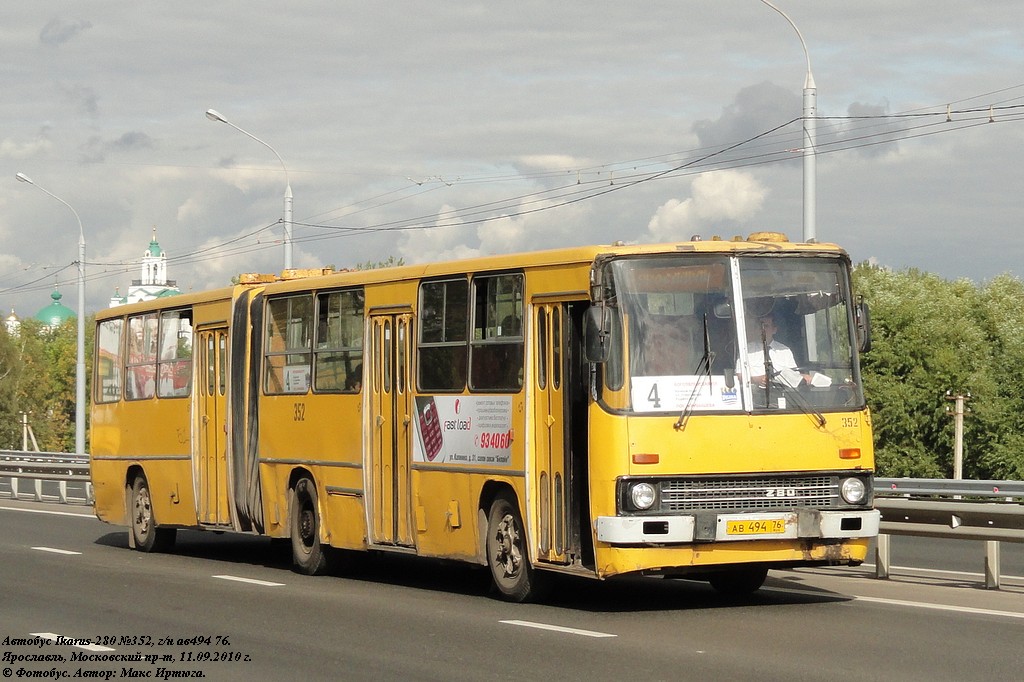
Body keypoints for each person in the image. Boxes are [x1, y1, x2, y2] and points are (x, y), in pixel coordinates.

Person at [745, 313, 811, 388]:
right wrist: (756, 379)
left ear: (774, 330)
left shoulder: (785, 350)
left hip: (786, 395)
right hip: (756, 394)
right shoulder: (747, 350)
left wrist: (804, 376)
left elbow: (793, 374)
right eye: (760, 326)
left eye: (766, 326)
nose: (762, 329)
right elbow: (739, 376)